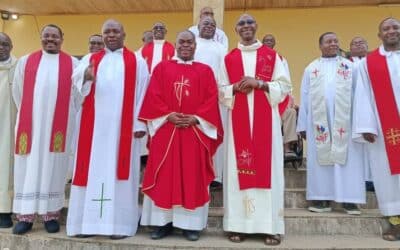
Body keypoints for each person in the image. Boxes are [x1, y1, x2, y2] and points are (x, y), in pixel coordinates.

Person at [66, 19, 149, 240]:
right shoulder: (90, 59)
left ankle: (119, 225)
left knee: (120, 176)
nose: (111, 35)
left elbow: (143, 93)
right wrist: (86, 77)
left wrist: (140, 124)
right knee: (89, 172)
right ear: (102, 36)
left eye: (115, 31)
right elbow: (76, 85)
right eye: (106, 32)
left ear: (124, 34)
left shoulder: (137, 62)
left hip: (124, 131)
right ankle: (85, 223)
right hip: (93, 132)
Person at [139, 30, 223, 241]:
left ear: (196, 46)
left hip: (194, 132)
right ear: (175, 45)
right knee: (163, 174)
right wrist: (168, 116)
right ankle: (162, 223)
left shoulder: (205, 71)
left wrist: (196, 118)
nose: (186, 45)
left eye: (190, 42)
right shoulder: (161, 68)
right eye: (182, 42)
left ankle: (190, 225)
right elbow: (153, 95)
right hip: (166, 130)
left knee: (192, 174)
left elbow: (211, 99)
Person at [220, 14, 291, 246]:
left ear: (256, 26)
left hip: (266, 125)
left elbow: (285, 86)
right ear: (236, 29)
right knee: (235, 171)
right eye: (242, 23)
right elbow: (220, 90)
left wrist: (259, 83)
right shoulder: (229, 58)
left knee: (268, 170)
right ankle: (237, 225)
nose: (246, 26)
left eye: (250, 22)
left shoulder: (272, 57)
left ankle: (271, 227)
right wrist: (235, 87)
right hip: (238, 124)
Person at [12, 24, 79, 234]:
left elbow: (78, 97)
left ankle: (51, 214)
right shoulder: (26, 61)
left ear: (62, 38)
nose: (50, 40)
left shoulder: (73, 63)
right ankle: (26, 216)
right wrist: (33, 114)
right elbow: (18, 91)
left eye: (55, 36)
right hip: (30, 126)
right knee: (27, 168)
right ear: (41, 38)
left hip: (58, 128)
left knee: (55, 167)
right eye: (46, 36)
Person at [296, 32, 365, 216]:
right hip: (318, 123)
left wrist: (361, 122)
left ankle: (350, 200)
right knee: (320, 160)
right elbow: (305, 96)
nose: (333, 44)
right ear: (320, 45)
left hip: (346, 122)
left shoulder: (349, 66)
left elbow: (359, 94)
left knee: (348, 160)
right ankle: (321, 198)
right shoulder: (311, 68)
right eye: (329, 41)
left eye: (336, 41)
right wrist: (302, 125)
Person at [352, 17, 400, 241]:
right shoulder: (368, 63)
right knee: (388, 177)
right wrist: (365, 125)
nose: (391, 31)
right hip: (384, 128)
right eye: (386, 28)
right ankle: (395, 222)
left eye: (395, 27)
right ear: (379, 35)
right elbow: (361, 95)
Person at [194, 16, 227, 188]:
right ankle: (196, 171)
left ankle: (216, 175)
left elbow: (226, 74)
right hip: (193, 99)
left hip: (216, 98)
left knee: (215, 134)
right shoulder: (192, 45)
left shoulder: (221, 48)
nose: (209, 27)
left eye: (213, 25)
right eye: (206, 24)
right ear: (198, 26)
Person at [262, 34, 298, 159]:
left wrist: (291, 99)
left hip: (278, 99)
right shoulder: (257, 58)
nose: (268, 42)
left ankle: (287, 148)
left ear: (274, 43)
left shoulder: (281, 60)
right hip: (261, 100)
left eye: (271, 40)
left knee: (291, 112)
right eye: (266, 40)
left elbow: (286, 81)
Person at [0, 32, 17, 228]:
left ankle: (5, 211)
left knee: (6, 167)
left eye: (5, 44)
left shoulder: (17, 67)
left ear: (11, 46)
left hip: (9, 124)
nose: (1, 47)